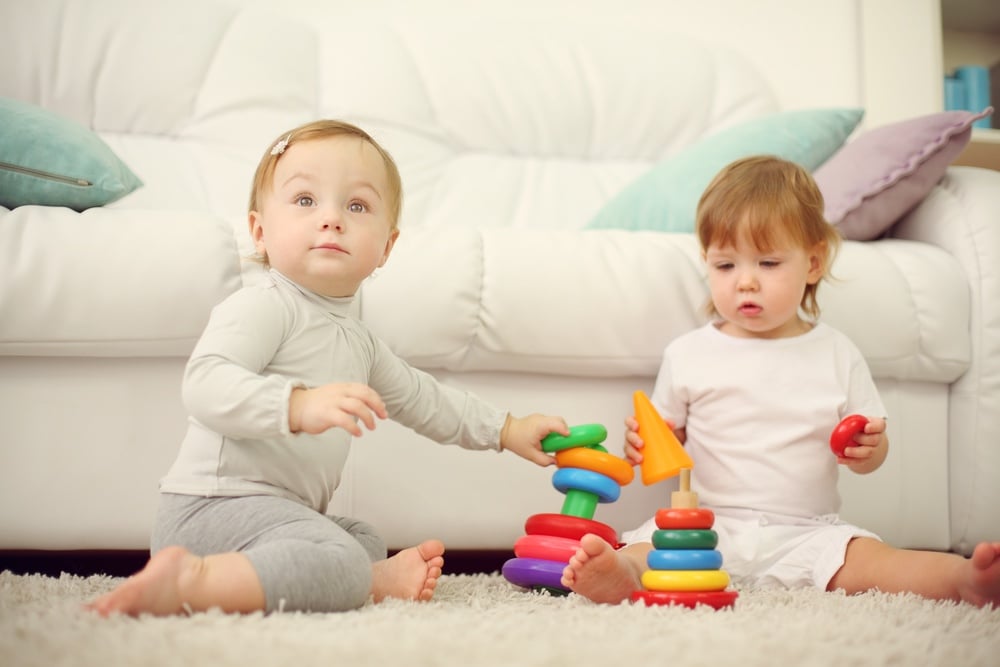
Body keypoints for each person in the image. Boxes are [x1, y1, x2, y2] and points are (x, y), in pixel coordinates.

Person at [88, 119, 568, 617]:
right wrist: (296, 405)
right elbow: (205, 385)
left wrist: (507, 429)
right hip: (210, 510)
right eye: (304, 201)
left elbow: (426, 400)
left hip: (274, 515)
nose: (332, 218)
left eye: (356, 206)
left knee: (362, 539)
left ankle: (361, 577)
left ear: (386, 247)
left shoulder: (359, 342)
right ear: (259, 231)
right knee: (339, 558)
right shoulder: (265, 306)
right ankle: (194, 582)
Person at [561, 155, 1000, 609]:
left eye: (768, 263)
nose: (746, 282)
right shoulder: (688, 353)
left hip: (807, 531)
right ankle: (622, 575)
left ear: (812, 263)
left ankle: (964, 578)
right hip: (706, 527)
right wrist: (644, 444)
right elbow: (662, 443)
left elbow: (870, 451)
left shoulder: (837, 353)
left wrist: (870, 450)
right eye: (725, 266)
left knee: (873, 560)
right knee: (649, 547)